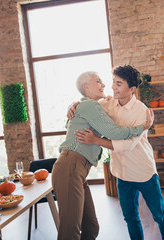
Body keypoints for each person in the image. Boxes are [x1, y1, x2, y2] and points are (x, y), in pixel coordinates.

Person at [69, 65, 164, 240]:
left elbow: (128, 145)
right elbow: (86, 105)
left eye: (118, 84)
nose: (112, 87)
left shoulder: (142, 112)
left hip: (144, 173)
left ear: (132, 89)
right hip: (122, 174)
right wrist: (72, 106)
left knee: (160, 216)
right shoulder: (108, 104)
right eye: (113, 82)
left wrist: (96, 141)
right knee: (130, 218)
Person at [52, 71, 154, 240]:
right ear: (86, 87)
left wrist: (71, 106)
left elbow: (73, 122)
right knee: (70, 231)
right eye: (98, 81)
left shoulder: (89, 106)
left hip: (77, 170)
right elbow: (113, 131)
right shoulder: (89, 106)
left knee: (91, 226)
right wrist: (143, 127)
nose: (104, 84)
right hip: (70, 165)